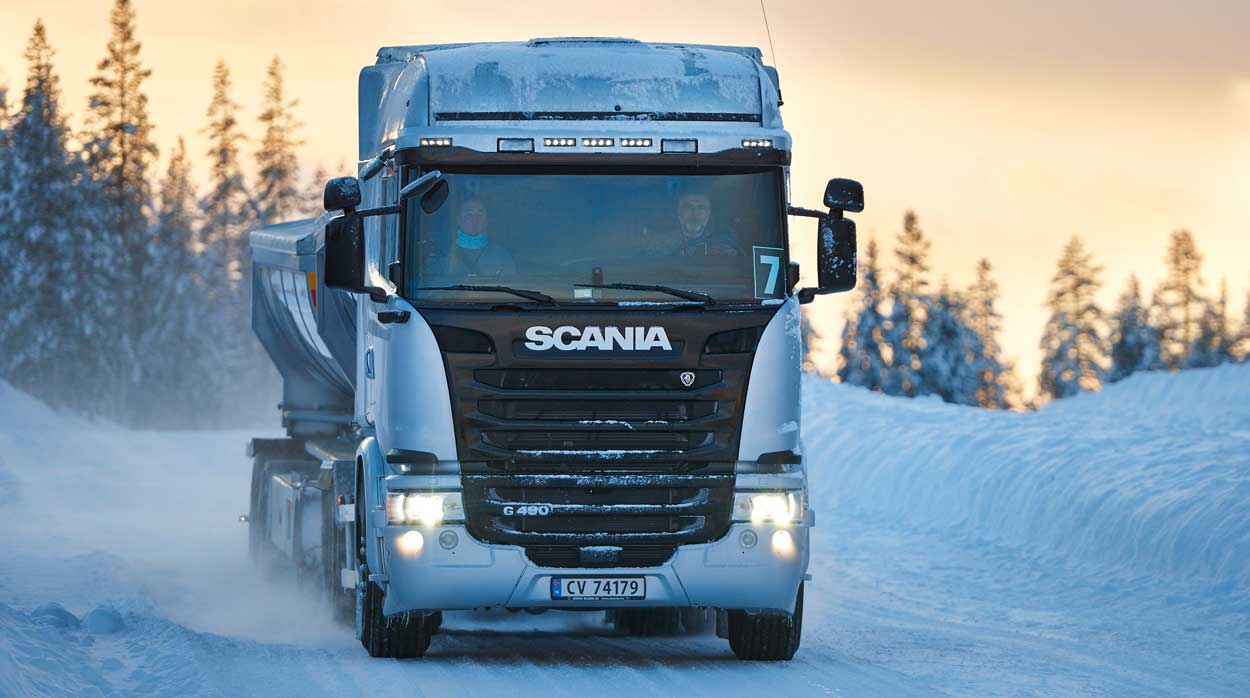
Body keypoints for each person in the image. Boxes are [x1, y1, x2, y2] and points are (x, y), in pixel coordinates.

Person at [428, 198, 516, 279]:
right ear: (458, 220)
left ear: (486, 221)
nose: (475, 219)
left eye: (480, 214)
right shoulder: (441, 254)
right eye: (469, 214)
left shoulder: (501, 255)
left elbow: (512, 285)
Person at [665, 191, 739, 257]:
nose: (694, 212)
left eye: (701, 207)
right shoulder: (662, 243)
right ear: (679, 212)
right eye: (688, 206)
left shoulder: (724, 242)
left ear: (708, 213)